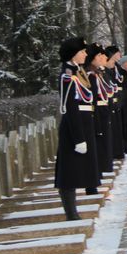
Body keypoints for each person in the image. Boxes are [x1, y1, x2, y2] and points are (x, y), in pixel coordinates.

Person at [54, 36, 100, 220]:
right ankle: (71, 213)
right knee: (69, 172)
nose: (85, 54)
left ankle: (73, 211)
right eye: (82, 51)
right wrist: (78, 137)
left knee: (77, 169)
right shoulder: (68, 75)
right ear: (73, 54)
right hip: (74, 126)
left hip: (84, 122)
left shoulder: (79, 71)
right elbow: (69, 108)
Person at [86, 43, 114, 180]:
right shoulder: (91, 75)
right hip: (98, 112)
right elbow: (93, 99)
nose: (103, 57)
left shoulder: (98, 73)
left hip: (103, 110)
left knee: (104, 144)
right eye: (99, 55)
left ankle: (102, 169)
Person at [104, 46, 126, 160]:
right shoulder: (105, 68)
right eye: (118, 53)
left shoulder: (117, 68)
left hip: (118, 99)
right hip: (110, 100)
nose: (120, 55)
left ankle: (118, 151)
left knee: (118, 128)